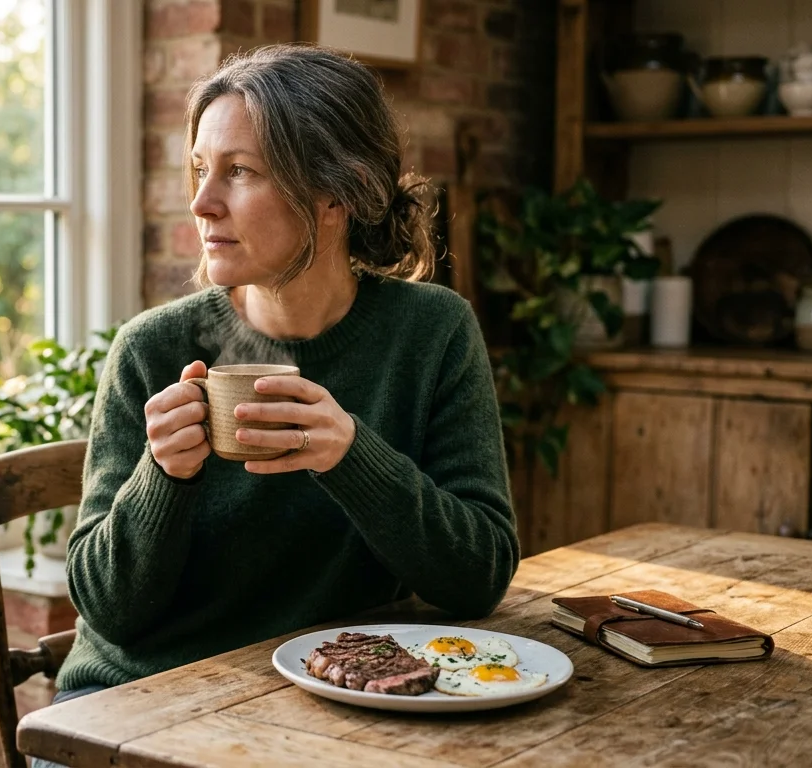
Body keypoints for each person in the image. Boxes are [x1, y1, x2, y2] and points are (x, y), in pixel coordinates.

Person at [28, 43, 517, 768]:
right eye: (200, 170)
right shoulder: (153, 351)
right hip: (133, 716)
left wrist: (353, 455)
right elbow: (107, 609)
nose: (201, 203)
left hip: (323, 713)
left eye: (240, 172)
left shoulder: (432, 333)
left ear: (335, 194)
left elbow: (477, 578)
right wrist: (163, 475)